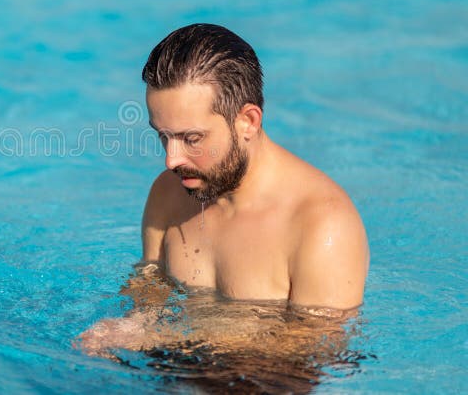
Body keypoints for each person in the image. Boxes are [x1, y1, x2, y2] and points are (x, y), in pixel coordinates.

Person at [78, 23, 369, 362]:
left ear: (248, 121)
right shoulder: (167, 194)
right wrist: (131, 325)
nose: (171, 160)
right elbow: (149, 286)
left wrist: (164, 334)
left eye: (192, 139)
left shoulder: (321, 224)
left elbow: (316, 348)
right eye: (163, 136)